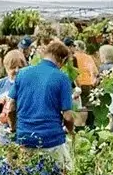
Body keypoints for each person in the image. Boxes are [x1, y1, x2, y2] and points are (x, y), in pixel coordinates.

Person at [13, 38, 77, 166]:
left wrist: (14, 127)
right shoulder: (62, 78)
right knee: (65, 172)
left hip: (24, 138)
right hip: (51, 139)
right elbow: (68, 116)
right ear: (63, 60)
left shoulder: (22, 73)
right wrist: (71, 131)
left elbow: (10, 107)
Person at [0, 48, 26, 145]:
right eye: (13, 67)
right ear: (6, 68)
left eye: (20, 67)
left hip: (24, 137)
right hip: (4, 137)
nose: (17, 70)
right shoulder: (1, 84)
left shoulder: (29, 84)